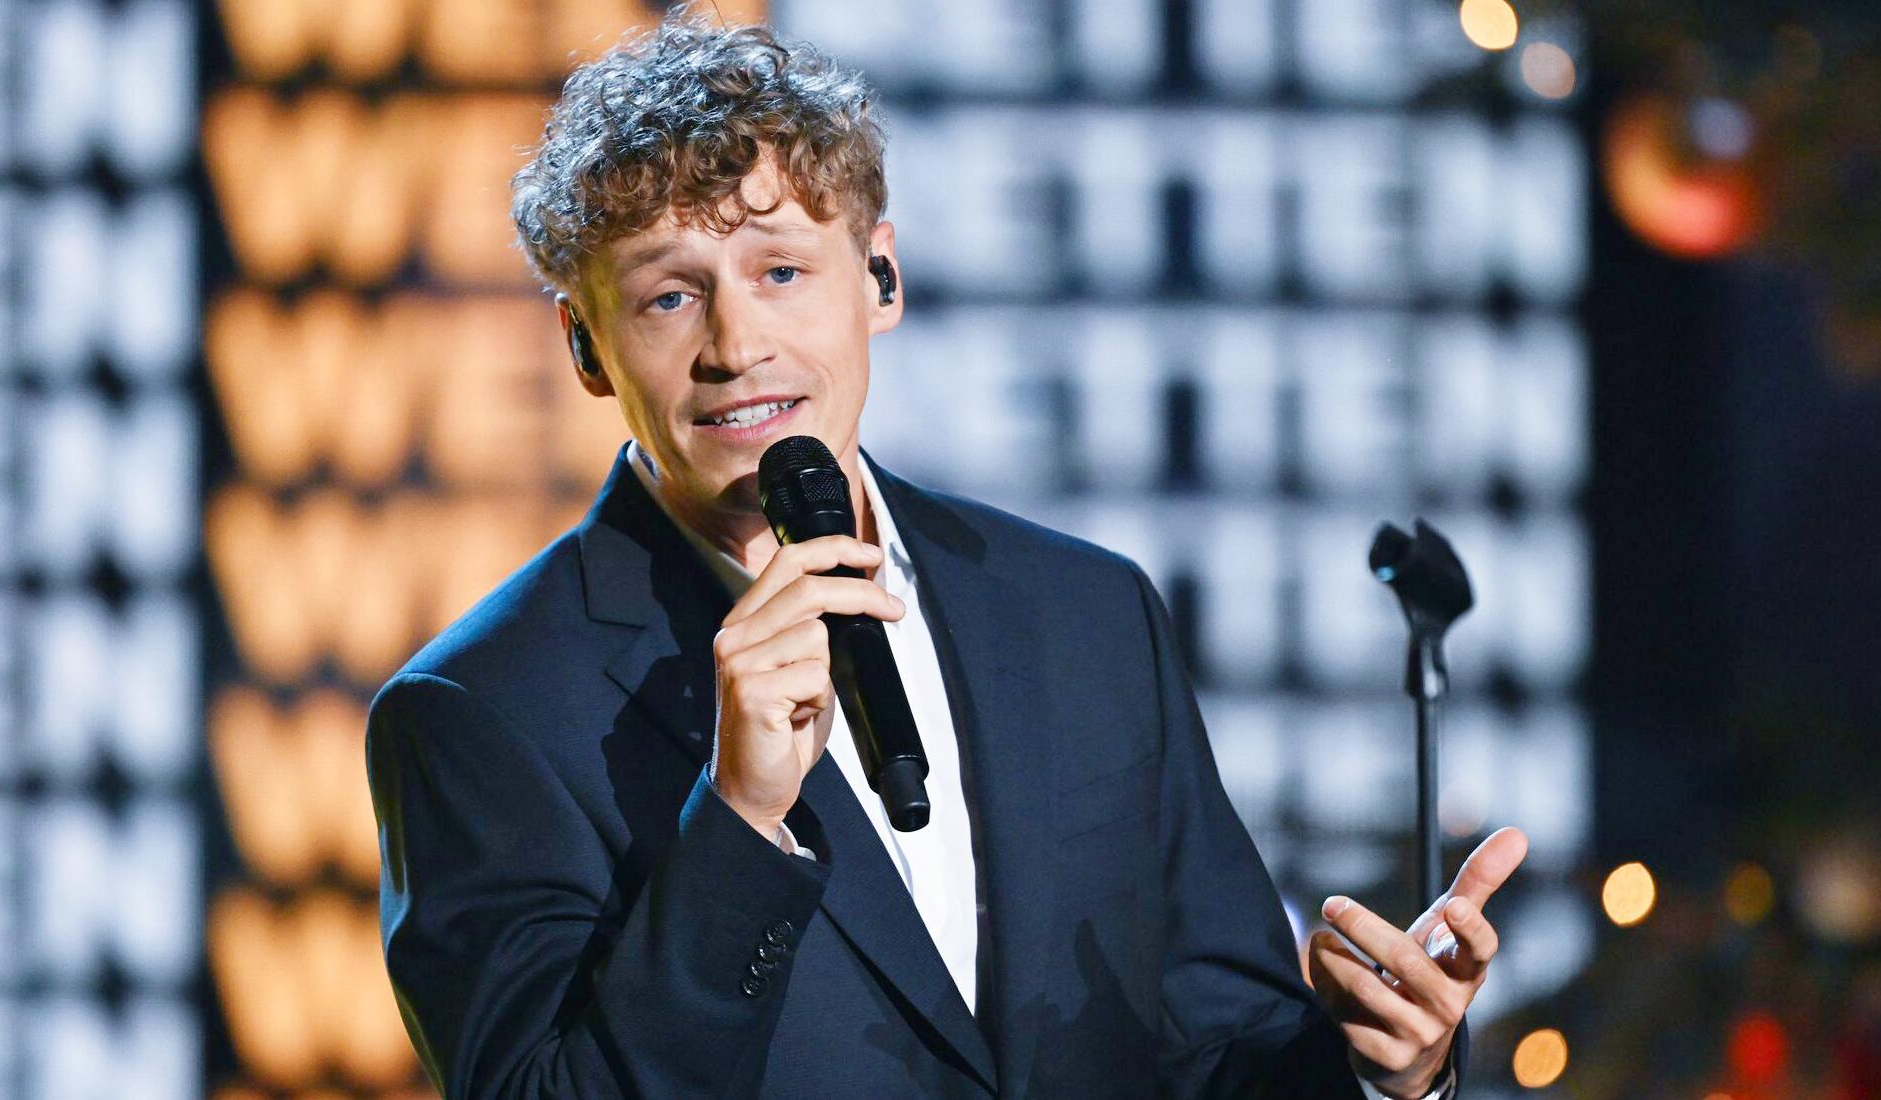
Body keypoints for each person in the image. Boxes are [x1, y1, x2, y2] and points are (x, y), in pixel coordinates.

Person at [366, 8, 1528, 1098]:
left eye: (780, 272)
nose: (737, 344)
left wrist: (1382, 1063)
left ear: (880, 276)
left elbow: (1216, 1043)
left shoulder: (1085, 611)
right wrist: (739, 820)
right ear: (585, 344)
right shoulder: (482, 710)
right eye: (670, 297)